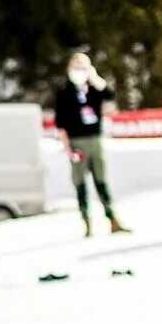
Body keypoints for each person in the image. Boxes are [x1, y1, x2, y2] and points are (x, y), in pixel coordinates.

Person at [53, 52, 129, 236]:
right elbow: (61, 125)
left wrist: (94, 77)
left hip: (95, 140)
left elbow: (110, 94)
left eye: (83, 66)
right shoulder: (64, 93)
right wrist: (68, 149)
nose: (79, 70)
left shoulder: (94, 90)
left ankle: (112, 219)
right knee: (80, 184)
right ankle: (87, 222)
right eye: (76, 66)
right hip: (76, 142)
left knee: (101, 181)